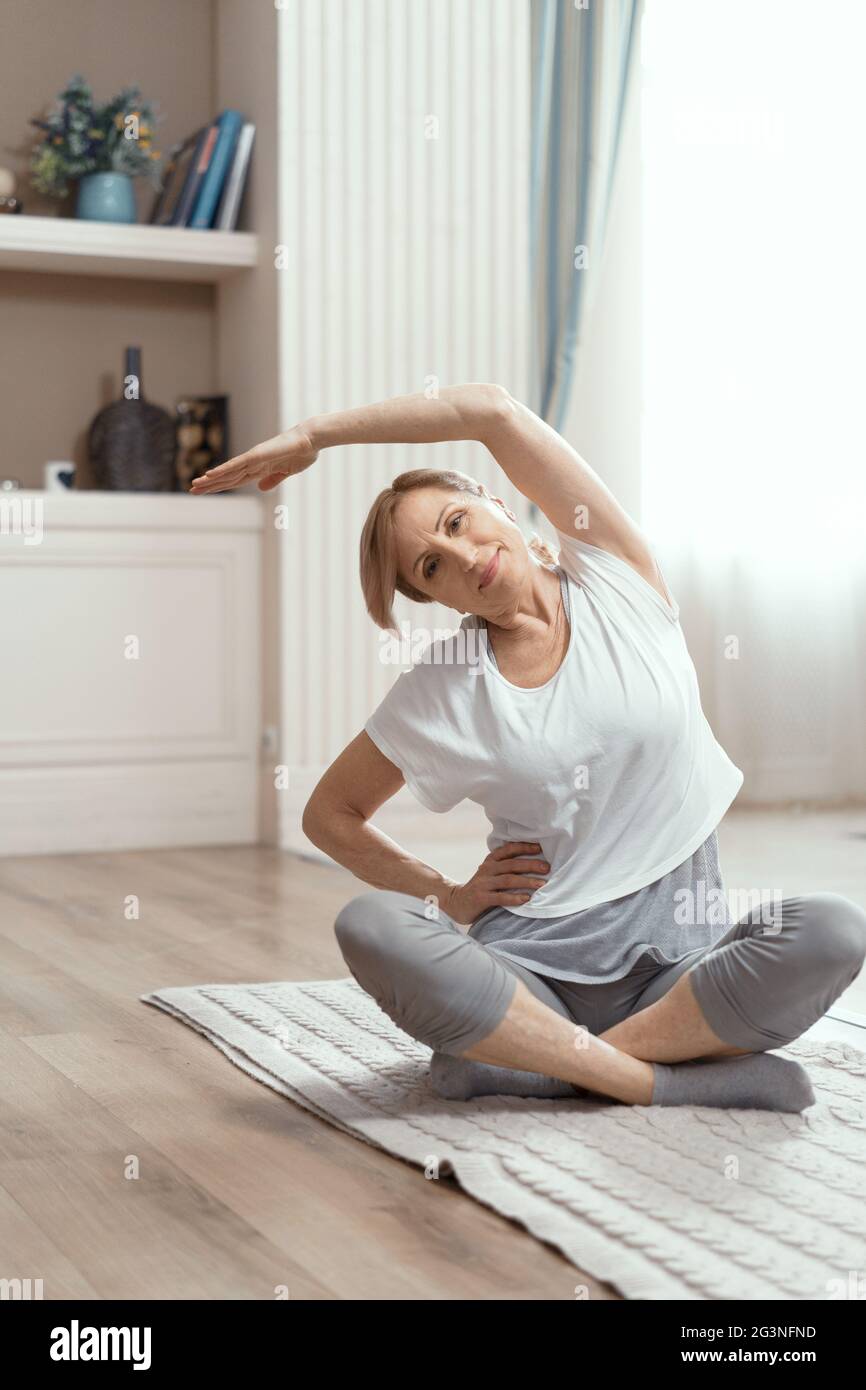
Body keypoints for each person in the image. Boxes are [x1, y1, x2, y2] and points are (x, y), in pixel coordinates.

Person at [191, 383, 866, 1111]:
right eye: (430, 567)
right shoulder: (446, 684)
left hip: (674, 975)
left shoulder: (615, 575)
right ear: (438, 599)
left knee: (832, 930)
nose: (459, 554)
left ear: (498, 503)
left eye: (457, 522)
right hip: (529, 978)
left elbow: (491, 411)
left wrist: (317, 435)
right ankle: (657, 1080)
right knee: (370, 924)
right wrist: (447, 896)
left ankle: (531, 1066)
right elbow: (330, 814)